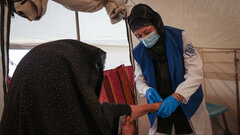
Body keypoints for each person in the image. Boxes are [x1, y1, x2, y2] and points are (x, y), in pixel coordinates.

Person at [0, 39, 162, 135]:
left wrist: (152, 107)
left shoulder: (59, 109)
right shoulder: (68, 123)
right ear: (61, 79)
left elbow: (109, 114)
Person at [127, 4, 212, 135]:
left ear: (156, 24)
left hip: (187, 101)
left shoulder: (179, 37)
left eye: (147, 32)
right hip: (161, 106)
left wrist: (177, 97)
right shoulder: (138, 52)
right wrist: (147, 90)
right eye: (139, 36)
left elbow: (195, 72)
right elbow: (139, 80)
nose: (144, 38)